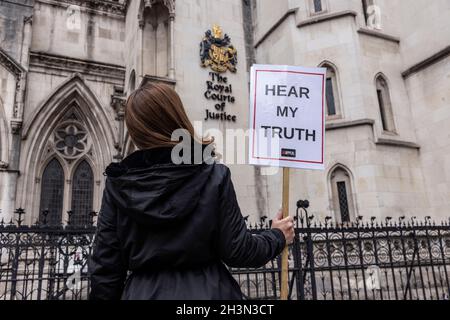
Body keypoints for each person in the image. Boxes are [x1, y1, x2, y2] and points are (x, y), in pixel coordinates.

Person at [88, 82, 295, 300]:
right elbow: (239, 251)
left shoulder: (118, 185)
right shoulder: (214, 176)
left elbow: (106, 272)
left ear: (136, 130)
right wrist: (277, 235)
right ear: (177, 118)